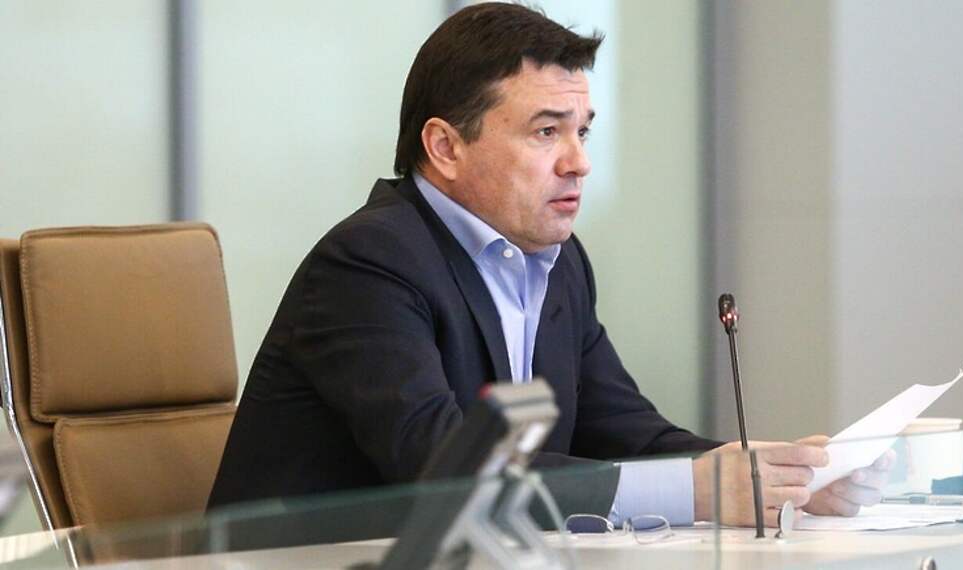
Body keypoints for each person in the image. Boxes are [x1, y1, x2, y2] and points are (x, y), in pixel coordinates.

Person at [208, 2, 891, 529]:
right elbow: (442, 467)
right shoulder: (369, 263)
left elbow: (625, 432)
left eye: (582, 130)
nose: (579, 162)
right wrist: (700, 490)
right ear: (446, 148)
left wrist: (772, 476)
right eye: (546, 132)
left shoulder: (556, 260)